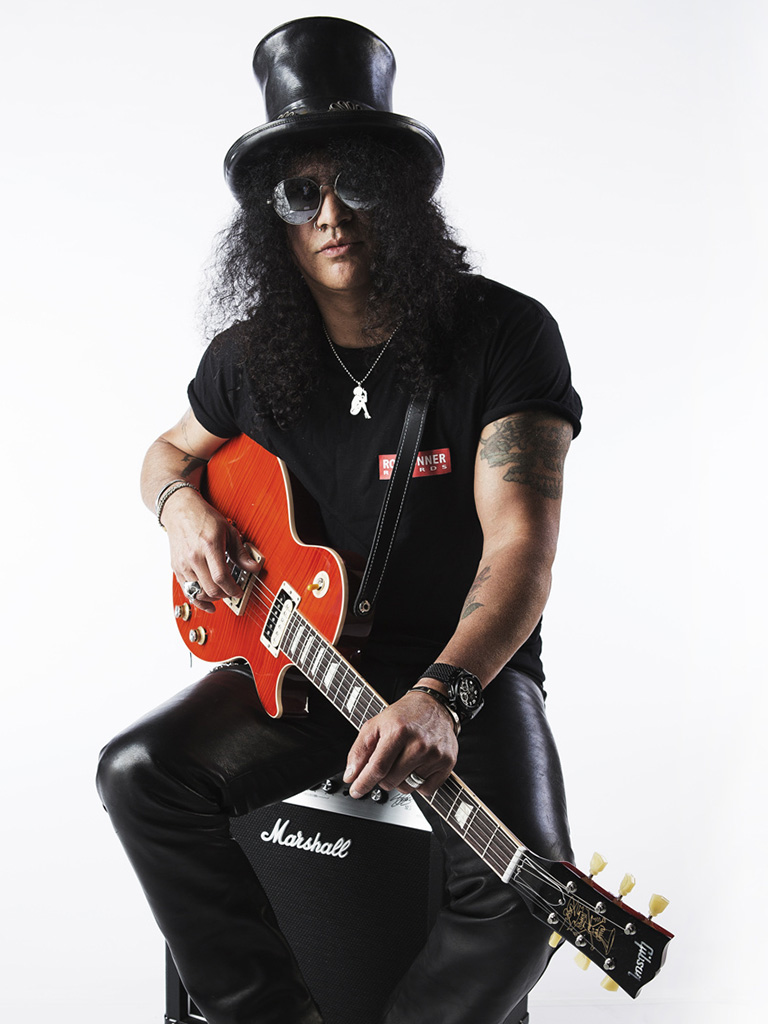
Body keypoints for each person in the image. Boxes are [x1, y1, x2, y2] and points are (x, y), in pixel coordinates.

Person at [97, 16, 582, 1024]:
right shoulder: (252, 357)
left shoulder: (504, 335)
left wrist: (443, 692)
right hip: (311, 660)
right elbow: (164, 454)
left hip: (465, 672)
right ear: (269, 220)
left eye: (355, 182)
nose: (330, 214)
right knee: (140, 776)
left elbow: (521, 549)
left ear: (400, 197)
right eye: (299, 192)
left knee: (522, 898)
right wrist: (180, 509)